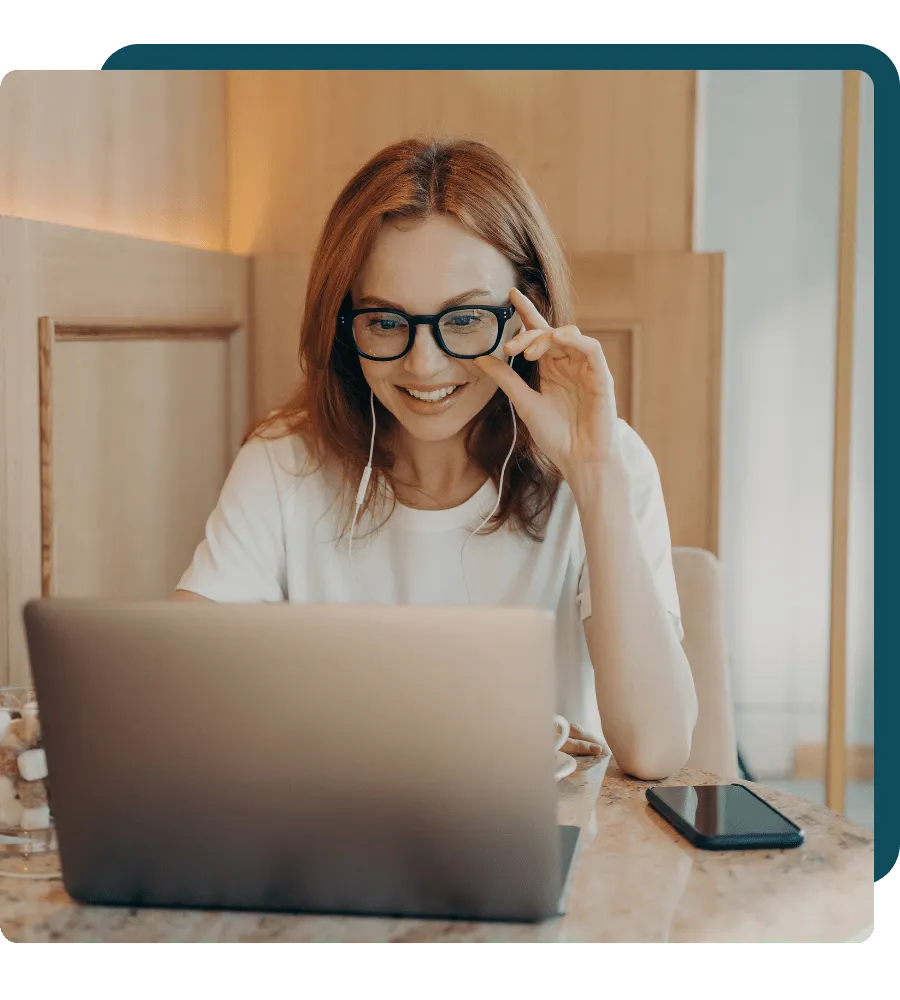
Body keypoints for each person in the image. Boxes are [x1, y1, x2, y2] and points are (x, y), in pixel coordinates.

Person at [174, 137, 698, 780]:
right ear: (345, 325)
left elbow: (656, 749)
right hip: (339, 843)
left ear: (524, 312)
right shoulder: (285, 463)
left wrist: (592, 476)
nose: (425, 366)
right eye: (387, 322)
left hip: (544, 847)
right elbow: (176, 698)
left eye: (466, 318)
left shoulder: (609, 462)